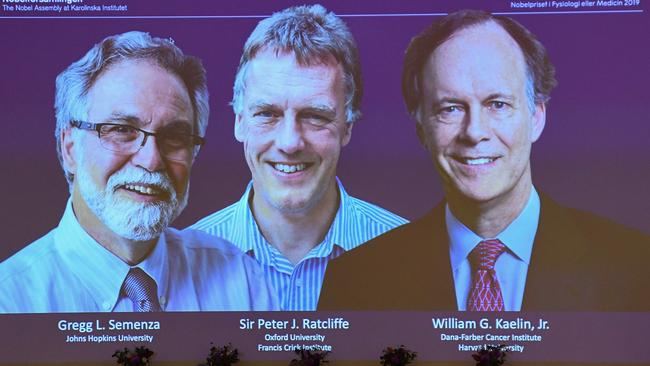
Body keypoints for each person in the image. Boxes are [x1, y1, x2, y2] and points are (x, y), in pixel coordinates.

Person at [318, 10, 650, 311]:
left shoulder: (635, 268)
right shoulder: (356, 282)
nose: (474, 132)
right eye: (450, 108)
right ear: (421, 129)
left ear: (536, 117)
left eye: (497, 104)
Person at [0, 31, 278, 313]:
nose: (152, 160)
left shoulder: (241, 282)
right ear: (70, 147)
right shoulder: (10, 301)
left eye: (175, 136)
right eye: (122, 130)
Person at [191, 4, 407, 311]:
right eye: (267, 113)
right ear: (239, 122)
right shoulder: (181, 262)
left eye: (315, 116)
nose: (290, 142)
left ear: (347, 126)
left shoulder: (412, 256)